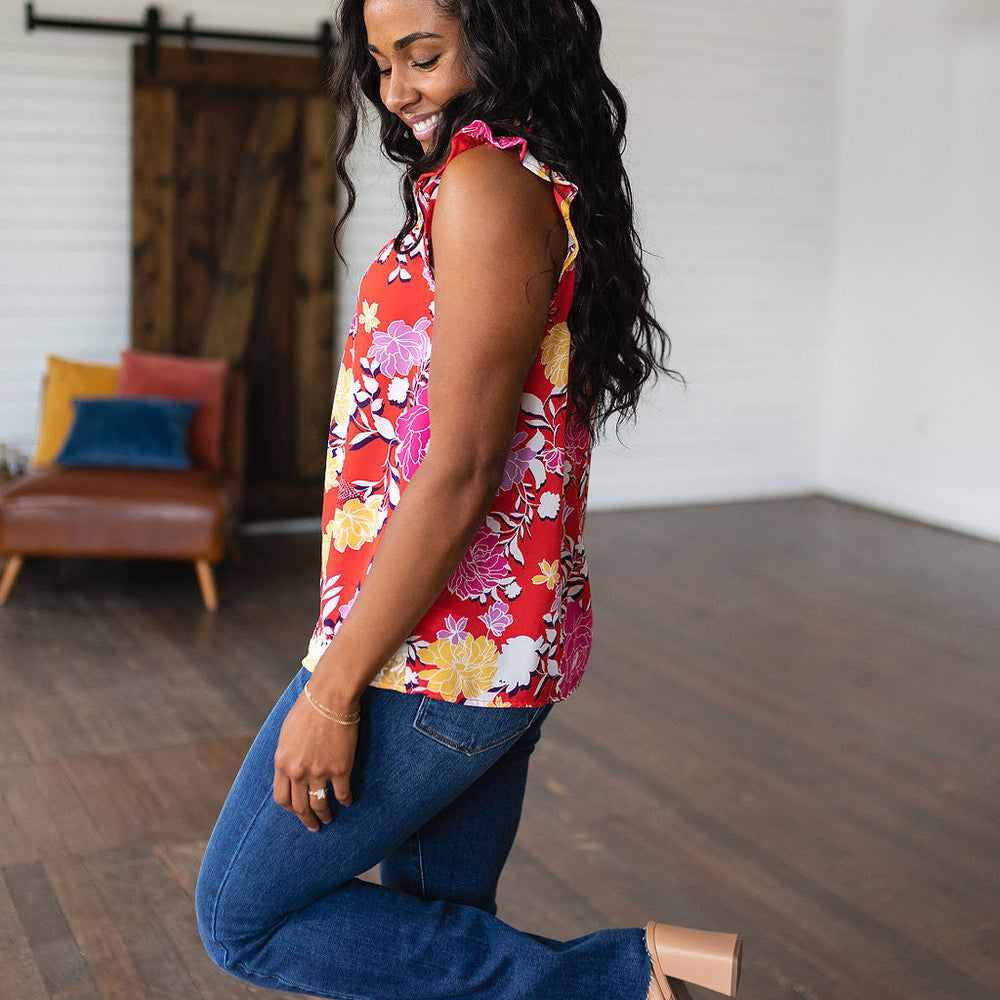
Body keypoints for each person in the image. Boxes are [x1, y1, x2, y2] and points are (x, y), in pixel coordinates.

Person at [196, 1, 743, 998]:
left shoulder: (490, 183)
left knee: (242, 914)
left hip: (434, 653)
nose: (395, 89)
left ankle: (627, 977)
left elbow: (459, 467)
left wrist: (331, 690)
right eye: (379, 61)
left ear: (505, 40)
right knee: (433, 943)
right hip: (486, 649)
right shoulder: (507, 181)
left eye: (422, 55)